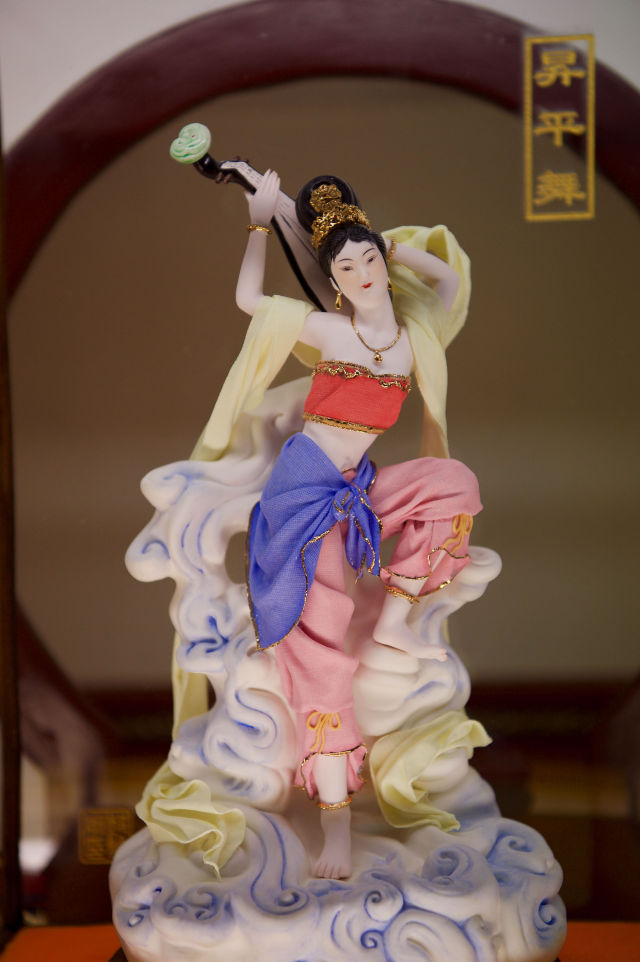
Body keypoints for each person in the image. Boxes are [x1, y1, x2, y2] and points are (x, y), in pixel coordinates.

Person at [233, 170, 482, 878]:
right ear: (334, 282)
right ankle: (335, 825)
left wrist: (392, 247)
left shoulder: (413, 339)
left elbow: (451, 283)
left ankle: (397, 620)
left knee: (454, 486)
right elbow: (249, 300)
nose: (364, 273)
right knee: (324, 649)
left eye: (369, 258)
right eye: (347, 267)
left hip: (358, 486)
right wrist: (259, 221)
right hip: (304, 493)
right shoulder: (330, 329)